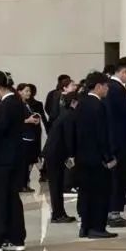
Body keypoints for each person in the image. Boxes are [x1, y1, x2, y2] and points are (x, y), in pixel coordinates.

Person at [0, 71, 37, 251]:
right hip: (15, 158)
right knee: (12, 199)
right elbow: (7, 124)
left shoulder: (6, 104)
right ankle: (16, 239)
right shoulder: (16, 102)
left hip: (0, 160)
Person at [68, 72, 118, 240]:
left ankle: (85, 227)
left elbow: (74, 131)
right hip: (97, 159)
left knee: (86, 193)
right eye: (106, 86)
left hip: (83, 157)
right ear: (98, 86)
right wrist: (108, 157)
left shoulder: (81, 104)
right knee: (100, 193)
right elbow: (101, 135)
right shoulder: (98, 106)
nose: (107, 89)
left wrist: (74, 153)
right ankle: (97, 227)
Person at [105, 57, 126, 228]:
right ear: (125, 71)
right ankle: (114, 214)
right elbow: (124, 117)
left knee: (114, 179)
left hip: (112, 141)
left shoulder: (109, 87)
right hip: (119, 143)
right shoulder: (117, 89)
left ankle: (110, 212)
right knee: (119, 179)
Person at [43, 91, 79, 224]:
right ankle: (57, 214)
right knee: (56, 185)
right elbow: (69, 137)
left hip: (54, 153)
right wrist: (71, 155)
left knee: (57, 184)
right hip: (55, 154)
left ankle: (59, 213)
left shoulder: (65, 113)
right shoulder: (69, 115)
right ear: (74, 102)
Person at [17, 83, 44, 193]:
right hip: (23, 137)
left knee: (27, 162)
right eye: (26, 91)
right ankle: (22, 185)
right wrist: (28, 120)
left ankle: (24, 183)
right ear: (19, 92)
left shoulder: (26, 104)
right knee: (23, 163)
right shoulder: (18, 105)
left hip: (29, 136)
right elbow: (16, 121)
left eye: (29, 91)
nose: (29, 93)